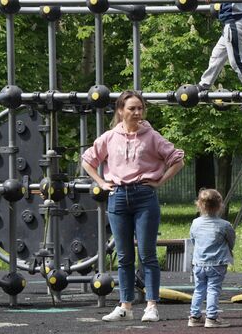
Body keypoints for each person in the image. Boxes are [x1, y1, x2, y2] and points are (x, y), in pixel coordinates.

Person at [81, 90, 184, 322]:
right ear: (121, 111)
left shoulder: (152, 136)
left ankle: (151, 306)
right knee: (124, 255)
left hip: (144, 197)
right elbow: (88, 160)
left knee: (147, 254)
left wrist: (159, 181)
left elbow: (177, 160)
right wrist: (101, 182)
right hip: (117, 196)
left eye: (140, 108)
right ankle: (125, 306)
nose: (137, 112)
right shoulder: (110, 137)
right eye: (132, 108)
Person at [187, 188, 235, 329]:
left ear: (199, 205)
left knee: (199, 289)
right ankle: (211, 317)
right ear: (220, 206)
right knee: (213, 289)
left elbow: (193, 240)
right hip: (217, 263)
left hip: (199, 263)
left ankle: (195, 317)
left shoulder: (195, 223)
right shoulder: (225, 225)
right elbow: (231, 241)